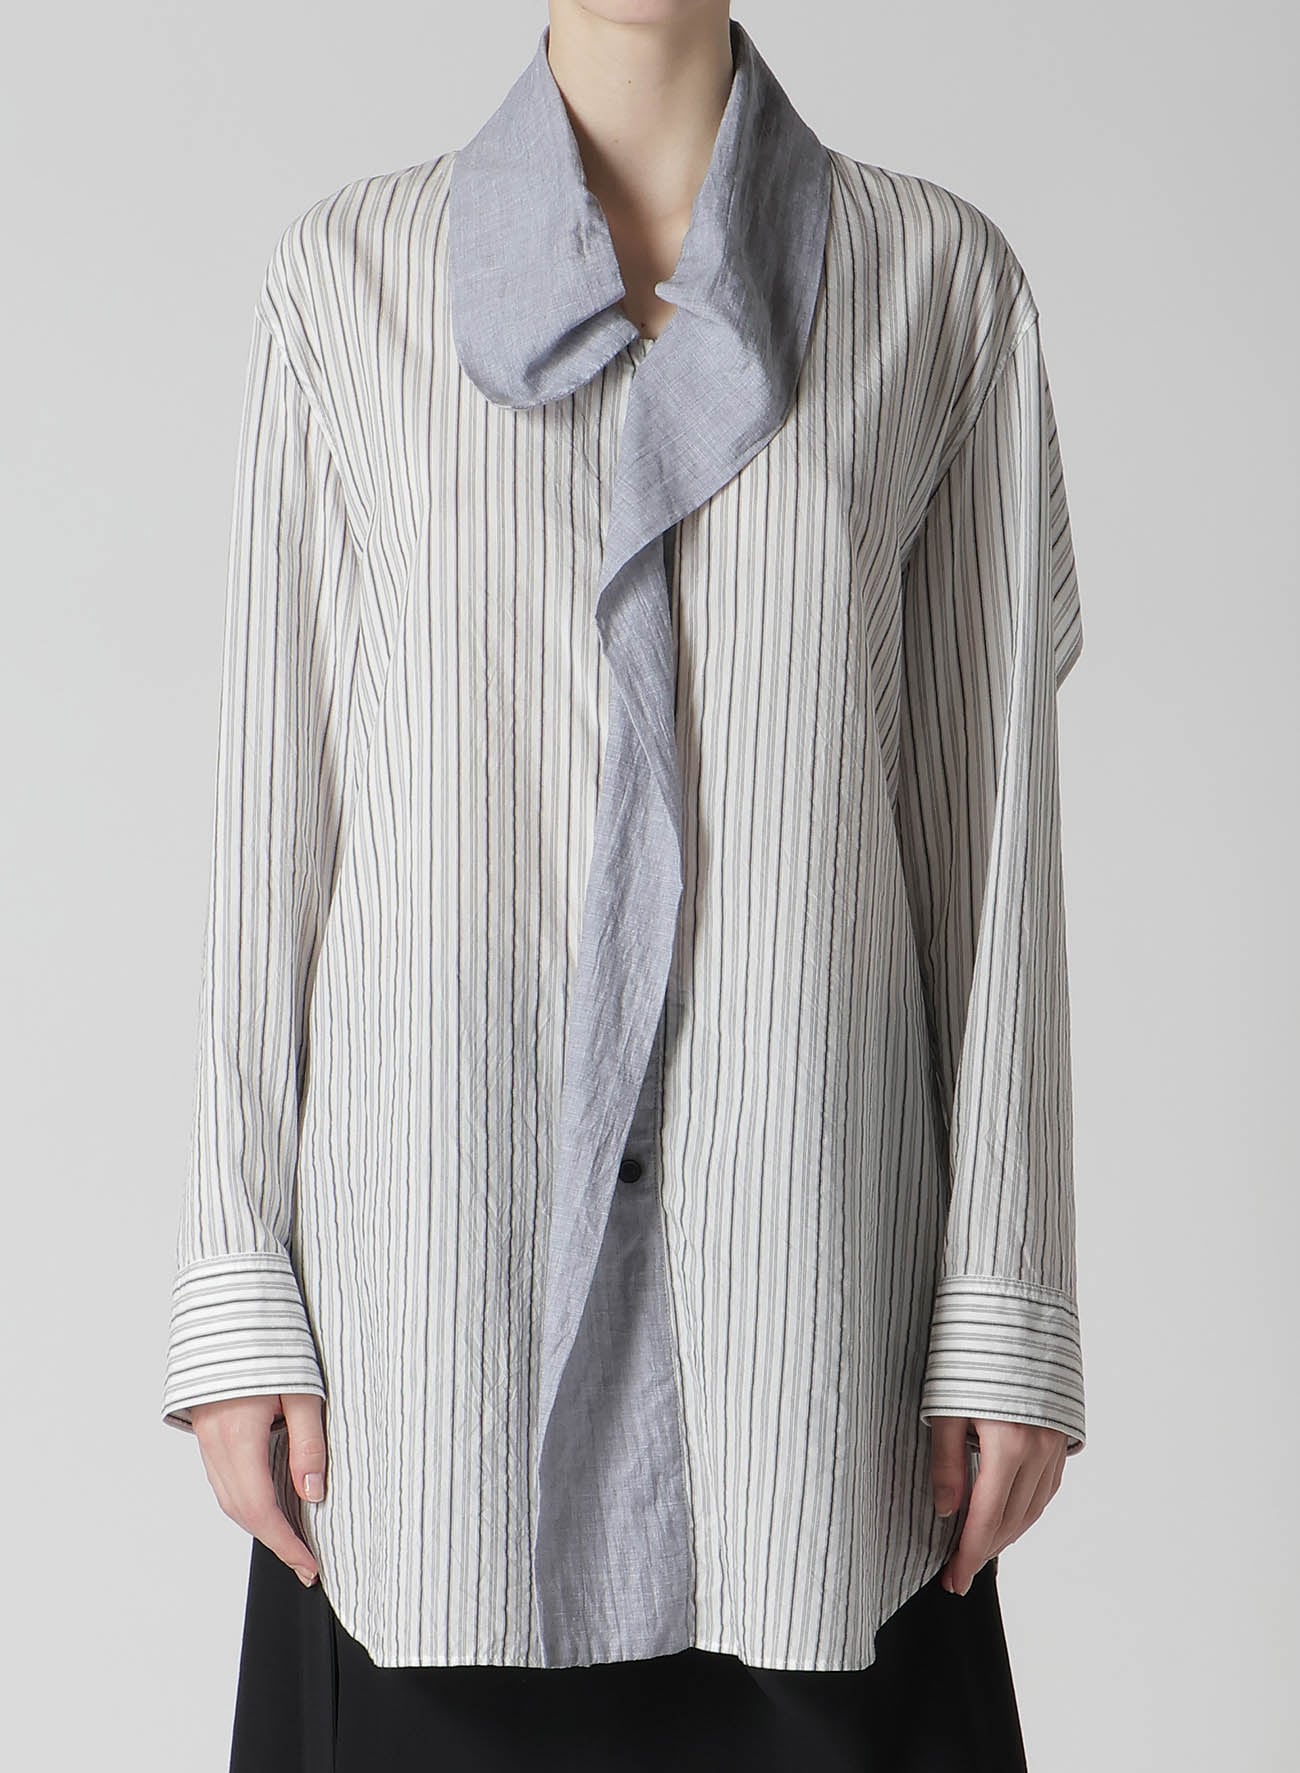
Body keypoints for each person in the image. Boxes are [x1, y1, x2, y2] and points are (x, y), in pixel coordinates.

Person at [160, 3, 1088, 1767]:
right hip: (431, 1352)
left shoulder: (937, 287)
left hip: (817, 1365)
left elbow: (990, 838)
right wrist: (236, 1283)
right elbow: (274, 816)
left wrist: (1006, 1308)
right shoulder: (346, 284)